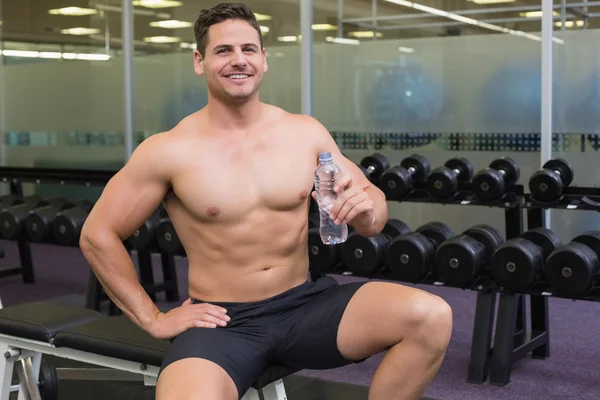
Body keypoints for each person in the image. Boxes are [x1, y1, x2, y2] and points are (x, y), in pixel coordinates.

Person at [79, 2, 453, 400]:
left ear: (263, 59)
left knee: (431, 316)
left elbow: (372, 212)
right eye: (223, 51)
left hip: (303, 306)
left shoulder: (304, 133)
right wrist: (153, 318)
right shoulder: (167, 151)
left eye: (248, 49)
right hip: (224, 322)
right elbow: (97, 234)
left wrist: (368, 209)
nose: (238, 60)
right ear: (199, 61)